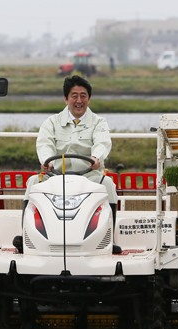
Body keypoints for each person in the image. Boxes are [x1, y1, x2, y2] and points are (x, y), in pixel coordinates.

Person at [14, 75, 121, 254]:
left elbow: (103, 143)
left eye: (83, 96)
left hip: (89, 176)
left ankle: (109, 240)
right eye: (74, 96)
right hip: (55, 176)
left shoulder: (99, 122)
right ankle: (26, 238)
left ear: (89, 98)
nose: (79, 101)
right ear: (66, 98)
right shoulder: (51, 122)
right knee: (33, 182)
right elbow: (44, 144)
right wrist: (46, 161)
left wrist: (96, 158)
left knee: (108, 184)